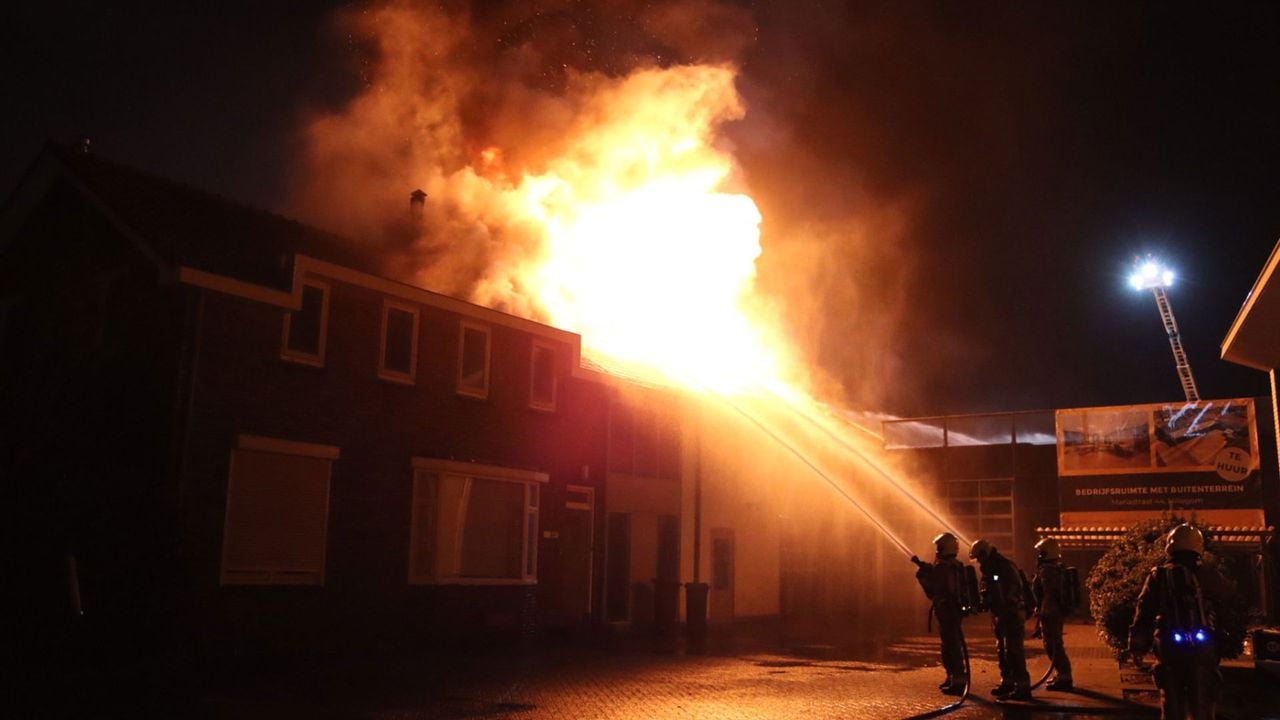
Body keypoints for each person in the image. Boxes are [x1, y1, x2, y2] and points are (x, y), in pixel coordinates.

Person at [1128, 524, 1232, 720]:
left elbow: (1144, 611)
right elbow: (1227, 602)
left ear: (1170, 546)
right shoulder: (1209, 574)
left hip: (1169, 647)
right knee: (1203, 702)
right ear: (1197, 547)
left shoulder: (1158, 575)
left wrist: (1137, 647)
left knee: (1171, 702)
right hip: (1202, 648)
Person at [970, 538, 1031, 700]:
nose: (978, 561)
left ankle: (1022, 687)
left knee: (1013, 651)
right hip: (1001, 615)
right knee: (1003, 651)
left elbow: (1009, 592)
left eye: (978, 557)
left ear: (984, 553)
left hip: (1010, 614)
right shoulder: (991, 567)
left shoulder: (1003, 566)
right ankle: (1008, 683)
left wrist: (997, 602)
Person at [914, 532, 969, 695]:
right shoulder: (955, 565)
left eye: (938, 547)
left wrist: (923, 578)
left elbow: (934, 590)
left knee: (951, 646)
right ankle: (953, 677)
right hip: (952, 611)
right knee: (949, 645)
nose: (936, 550)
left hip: (947, 612)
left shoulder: (944, 567)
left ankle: (957, 680)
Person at [1032, 537, 1074, 691]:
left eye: (1040, 552)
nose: (1038, 555)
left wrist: (1043, 611)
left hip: (1050, 613)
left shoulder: (1047, 571)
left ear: (1045, 553)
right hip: (1055, 612)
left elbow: (1048, 593)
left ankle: (1064, 677)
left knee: (1053, 645)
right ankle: (1061, 675)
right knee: (1055, 644)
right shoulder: (1057, 568)